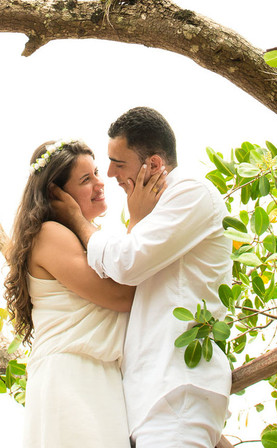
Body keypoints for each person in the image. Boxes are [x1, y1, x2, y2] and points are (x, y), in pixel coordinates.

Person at [52, 107, 232, 448]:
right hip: (149, 398)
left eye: (118, 163)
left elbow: (127, 263)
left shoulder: (191, 193)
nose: (109, 173)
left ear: (152, 164)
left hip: (176, 389)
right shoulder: (154, 213)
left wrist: (78, 221)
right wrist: (137, 220)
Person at [4, 139, 163, 447]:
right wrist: (139, 219)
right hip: (71, 375)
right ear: (55, 193)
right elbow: (121, 295)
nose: (100, 184)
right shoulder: (50, 234)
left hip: (98, 376)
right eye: (85, 179)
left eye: (97, 173)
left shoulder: (86, 239)